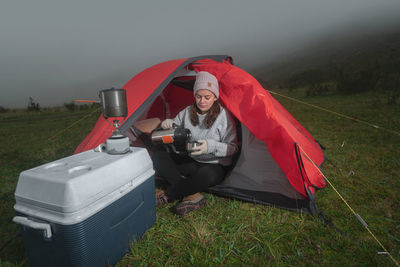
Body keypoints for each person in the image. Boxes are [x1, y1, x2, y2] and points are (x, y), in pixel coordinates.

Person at [152, 71, 239, 216]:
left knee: (206, 175)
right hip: (193, 160)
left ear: (215, 97)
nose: (202, 101)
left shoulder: (224, 117)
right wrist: (169, 124)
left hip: (215, 165)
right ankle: (192, 195)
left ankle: (168, 195)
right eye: (199, 96)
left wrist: (210, 146)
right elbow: (175, 128)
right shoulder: (187, 112)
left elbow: (233, 148)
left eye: (207, 97)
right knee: (159, 156)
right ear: (194, 96)